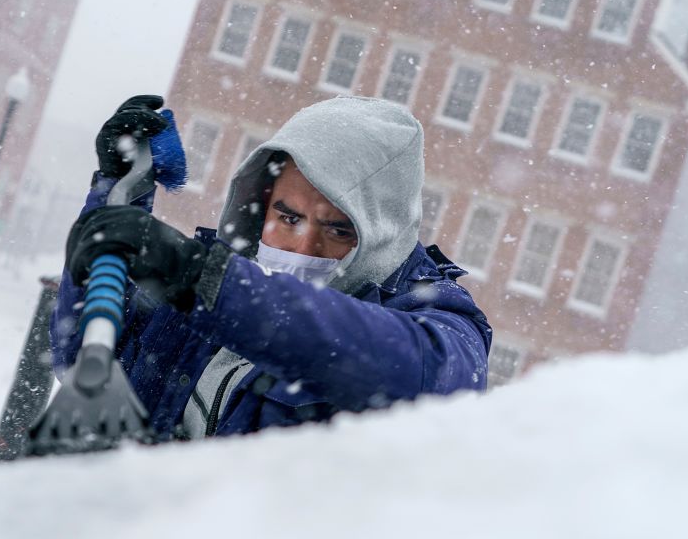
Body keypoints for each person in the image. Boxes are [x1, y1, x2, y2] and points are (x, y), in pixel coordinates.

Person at [52, 94, 492, 441]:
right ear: (260, 206)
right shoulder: (210, 279)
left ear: (382, 233)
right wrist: (120, 192)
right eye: (288, 218)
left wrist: (208, 284)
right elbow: (83, 363)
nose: (304, 246)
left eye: (339, 230)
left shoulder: (437, 323)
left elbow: (423, 377)